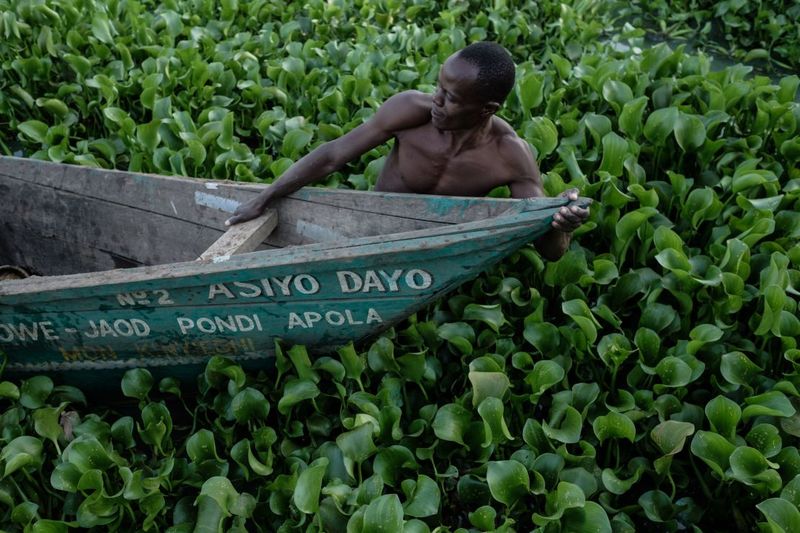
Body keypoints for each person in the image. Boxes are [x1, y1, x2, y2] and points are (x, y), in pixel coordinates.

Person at [226, 42, 589, 260]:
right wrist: (267, 196)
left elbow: (551, 251)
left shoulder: (510, 155)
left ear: (487, 109)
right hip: (374, 230)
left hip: (439, 245)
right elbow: (334, 155)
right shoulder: (410, 111)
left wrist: (560, 223)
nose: (437, 100)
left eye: (451, 98)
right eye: (439, 87)